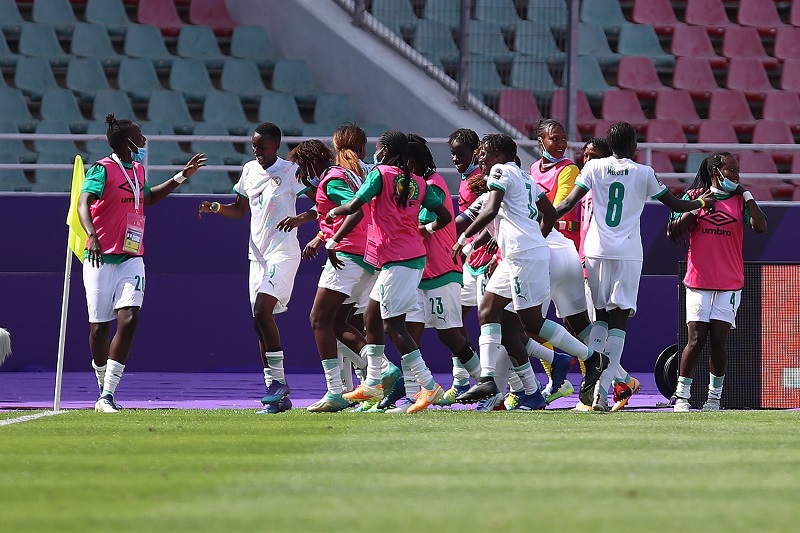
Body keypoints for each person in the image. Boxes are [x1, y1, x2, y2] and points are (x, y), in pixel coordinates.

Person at [554, 121, 717, 411]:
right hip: (627, 253)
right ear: (634, 146)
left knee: (600, 319)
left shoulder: (593, 168)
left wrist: (543, 216)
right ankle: (603, 390)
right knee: (618, 321)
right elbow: (676, 206)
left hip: (595, 251)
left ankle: (595, 391)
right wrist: (700, 203)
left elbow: (568, 202)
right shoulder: (644, 173)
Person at [452, 133, 610, 408]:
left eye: (484, 154)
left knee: (532, 323)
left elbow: (489, 211)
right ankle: (488, 378)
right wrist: (535, 239)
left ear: (498, 155)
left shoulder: (500, 171)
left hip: (524, 256)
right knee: (488, 310)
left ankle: (592, 357)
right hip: (518, 255)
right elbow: (548, 214)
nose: (481, 159)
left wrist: (463, 239)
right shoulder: (525, 177)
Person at [78, 114, 206, 413]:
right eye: (139, 134)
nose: (144, 138)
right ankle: (101, 385)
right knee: (99, 329)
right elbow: (83, 202)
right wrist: (92, 235)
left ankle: (108, 394)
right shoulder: (102, 169)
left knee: (130, 318)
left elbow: (147, 199)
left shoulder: (137, 169)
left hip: (131, 257)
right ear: (127, 141)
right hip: (99, 257)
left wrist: (181, 176)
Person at [327, 130, 452, 414]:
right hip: (406, 258)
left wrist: (335, 214)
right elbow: (444, 215)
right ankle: (373, 380)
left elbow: (353, 205)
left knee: (393, 326)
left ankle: (429, 385)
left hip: (400, 261)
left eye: (378, 148)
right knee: (371, 314)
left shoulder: (380, 174)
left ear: (384, 151)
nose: (375, 152)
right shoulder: (418, 183)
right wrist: (426, 229)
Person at [198, 122, 316, 414]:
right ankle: (276, 391)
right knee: (259, 320)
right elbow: (239, 209)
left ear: (276, 145)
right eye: (254, 146)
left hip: (283, 254)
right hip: (257, 257)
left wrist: (300, 220)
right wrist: (215, 208)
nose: (256, 151)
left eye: (262, 146)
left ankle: (278, 386)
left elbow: (322, 204)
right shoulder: (249, 170)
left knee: (263, 310)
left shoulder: (291, 172)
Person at [287, 134, 383, 413]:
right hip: (366, 254)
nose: (303, 177)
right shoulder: (347, 173)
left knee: (319, 320)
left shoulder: (331, 178)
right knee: (342, 321)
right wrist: (321, 236)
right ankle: (372, 378)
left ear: (314, 162)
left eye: (303, 169)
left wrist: (332, 240)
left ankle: (344, 388)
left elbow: (356, 208)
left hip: (348, 253)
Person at [667, 152, 766, 412]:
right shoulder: (694, 196)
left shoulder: (739, 200)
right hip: (699, 280)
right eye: (731, 171)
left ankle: (714, 399)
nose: (736, 175)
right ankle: (682, 397)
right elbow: (671, 231)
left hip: (730, 282)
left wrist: (745, 194)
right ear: (716, 171)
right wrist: (698, 207)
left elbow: (760, 226)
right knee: (696, 339)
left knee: (719, 339)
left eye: (738, 171)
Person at [393, 133, 481, 413]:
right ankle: (412, 395)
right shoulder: (414, 185)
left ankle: (486, 386)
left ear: (412, 160)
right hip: (419, 272)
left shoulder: (434, 185)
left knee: (451, 335)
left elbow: (425, 224)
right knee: (409, 332)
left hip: (442, 271)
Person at [578, 137, 641, 411]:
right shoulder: (586, 187)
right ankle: (622, 380)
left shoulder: (603, 189)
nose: (589, 162)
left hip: (602, 260)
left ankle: (600, 390)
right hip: (583, 261)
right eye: (586, 156)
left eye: (595, 157)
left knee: (594, 326)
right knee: (585, 329)